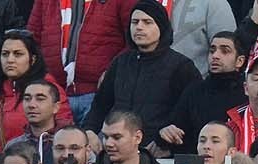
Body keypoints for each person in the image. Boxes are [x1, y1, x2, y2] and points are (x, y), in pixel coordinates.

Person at [84, 0, 200, 146]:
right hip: (119, 149)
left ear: (161, 26)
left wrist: (164, 143)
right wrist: (89, 130)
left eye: (147, 22)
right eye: (135, 22)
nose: (139, 27)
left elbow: (190, 112)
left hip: (158, 152)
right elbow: (101, 104)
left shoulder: (181, 66)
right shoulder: (121, 62)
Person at [27, 0, 136, 116]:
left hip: (100, 95)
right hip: (54, 94)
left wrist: (112, 71)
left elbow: (133, 41)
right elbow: (32, 41)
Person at [161, 29, 245, 150]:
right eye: (212, 51)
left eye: (225, 51)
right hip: (198, 163)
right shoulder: (194, 90)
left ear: (239, 61)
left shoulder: (247, 92)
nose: (215, 56)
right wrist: (166, 133)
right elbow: (176, 130)